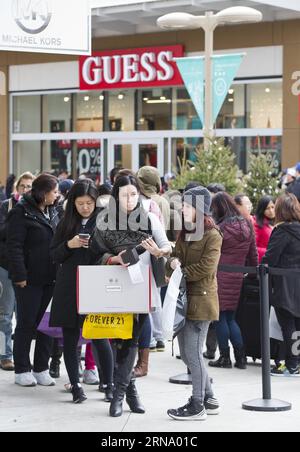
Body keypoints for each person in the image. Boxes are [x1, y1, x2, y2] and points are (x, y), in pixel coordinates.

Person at [91, 174, 171, 417]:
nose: (129, 199)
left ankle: (118, 396)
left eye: (134, 194)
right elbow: (95, 253)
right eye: (124, 194)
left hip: (142, 288)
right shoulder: (104, 220)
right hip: (114, 287)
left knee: (132, 340)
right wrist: (113, 259)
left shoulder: (148, 219)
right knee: (118, 341)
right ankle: (131, 393)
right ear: (116, 195)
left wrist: (159, 251)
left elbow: (167, 245)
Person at [50, 179, 114, 403]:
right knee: (70, 337)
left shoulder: (105, 220)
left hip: (95, 283)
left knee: (99, 335)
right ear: (73, 203)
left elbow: (112, 252)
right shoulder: (65, 222)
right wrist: (70, 245)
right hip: (69, 284)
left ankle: (108, 383)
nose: (85, 207)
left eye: (89, 202)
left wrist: (94, 245)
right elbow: (54, 255)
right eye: (80, 203)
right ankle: (76, 386)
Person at [166, 186, 223, 421]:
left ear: (200, 209)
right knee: (189, 356)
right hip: (183, 301)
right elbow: (175, 255)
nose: (183, 209)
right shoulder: (185, 232)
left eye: (188, 206)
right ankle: (209, 398)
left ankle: (197, 404)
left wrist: (179, 272)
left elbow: (207, 268)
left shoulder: (213, 235)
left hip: (202, 301)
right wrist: (171, 262)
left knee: (193, 354)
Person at [6, 173, 60, 387]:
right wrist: (20, 275)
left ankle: (41, 368)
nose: (57, 196)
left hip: (50, 277)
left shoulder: (52, 211)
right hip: (28, 279)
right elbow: (14, 246)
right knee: (26, 323)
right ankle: (22, 369)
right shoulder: (21, 211)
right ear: (43, 192)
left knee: (46, 325)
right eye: (54, 192)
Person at [209, 192, 258, 370]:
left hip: (219, 276)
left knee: (220, 317)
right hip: (238, 277)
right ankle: (241, 358)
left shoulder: (220, 228)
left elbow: (211, 254)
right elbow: (253, 254)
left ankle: (224, 358)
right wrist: (253, 273)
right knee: (231, 318)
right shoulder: (247, 225)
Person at [0, 172, 34, 371]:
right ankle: (5, 355)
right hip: (6, 266)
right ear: (17, 187)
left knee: (25, 316)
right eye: (23, 186)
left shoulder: (37, 208)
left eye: (30, 186)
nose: (26, 189)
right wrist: (17, 221)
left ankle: (23, 357)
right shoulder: (6, 206)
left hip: (28, 269)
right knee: (5, 314)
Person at [263, 194, 300, 377]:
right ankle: (296, 362)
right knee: (297, 325)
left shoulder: (282, 231)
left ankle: (293, 364)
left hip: (284, 284)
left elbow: (270, 258)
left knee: (288, 324)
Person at [253, 196, 275, 262]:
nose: (271, 211)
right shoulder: (257, 224)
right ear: (262, 210)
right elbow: (253, 248)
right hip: (264, 264)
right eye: (267, 208)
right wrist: (270, 252)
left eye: (272, 207)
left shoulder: (279, 221)